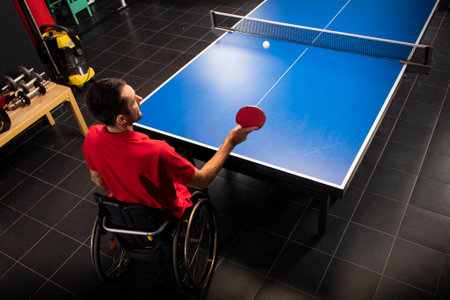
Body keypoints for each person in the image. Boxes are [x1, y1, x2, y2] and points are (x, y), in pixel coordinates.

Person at [82, 78, 257, 218]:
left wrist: (128, 184)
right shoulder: (157, 151)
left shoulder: (92, 136)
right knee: (191, 176)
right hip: (162, 211)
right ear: (121, 119)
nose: (140, 99)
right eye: (133, 101)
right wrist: (230, 142)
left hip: (124, 208)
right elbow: (202, 181)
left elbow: (100, 182)